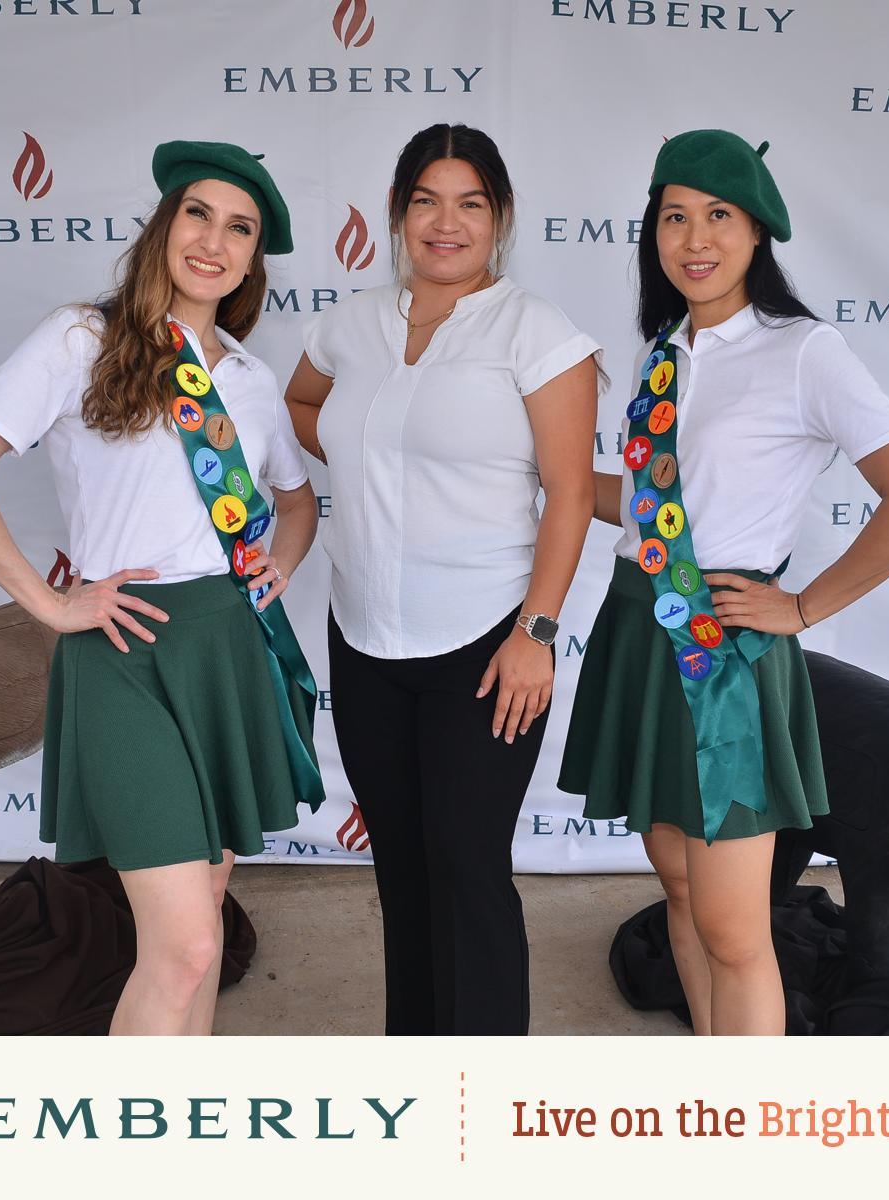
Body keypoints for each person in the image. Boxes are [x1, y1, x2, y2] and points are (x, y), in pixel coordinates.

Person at [0, 141, 323, 1036]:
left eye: (241, 229)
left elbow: (296, 502)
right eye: (198, 215)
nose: (215, 241)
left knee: (200, 930)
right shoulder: (84, 337)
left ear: (255, 260)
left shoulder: (251, 381)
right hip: (125, 651)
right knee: (181, 948)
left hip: (228, 647)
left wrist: (280, 562)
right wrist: (53, 602)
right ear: (163, 226)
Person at [558, 129, 889, 1036]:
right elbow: (664, 506)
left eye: (718, 217)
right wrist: (563, 482)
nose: (694, 239)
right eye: (674, 218)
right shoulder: (667, 349)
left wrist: (804, 605)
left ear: (758, 232)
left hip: (723, 656)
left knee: (737, 931)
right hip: (636, 632)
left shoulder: (804, 350)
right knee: (685, 901)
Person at [283, 123, 600, 1035]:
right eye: (426, 200)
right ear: (398, 212)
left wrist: (536, 634)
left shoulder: (538, 335)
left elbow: (572, 495)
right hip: (365, 637)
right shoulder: (349, 323)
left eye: (470, 203)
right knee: (403, 869)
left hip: (488, 642)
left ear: (498, 218)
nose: (445, 223)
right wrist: (361, 450)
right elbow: (305, 406)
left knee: (466, 867)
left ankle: (484, 1108)